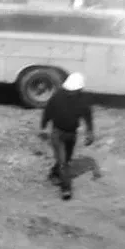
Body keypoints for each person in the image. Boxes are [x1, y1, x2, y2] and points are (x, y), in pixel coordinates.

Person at [39, 72, 95, 200]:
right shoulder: (57, 97)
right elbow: (47, 113)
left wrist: (90, 132)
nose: (70, 92)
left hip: (71, 135)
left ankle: (54, 173)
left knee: (65, 160)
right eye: (69, 90)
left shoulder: (84, 100)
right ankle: (66, 189)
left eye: (73, 90)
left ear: (79, 89)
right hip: (57, 134)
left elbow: (88, 116)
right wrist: (43, 128)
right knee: (64, 164)